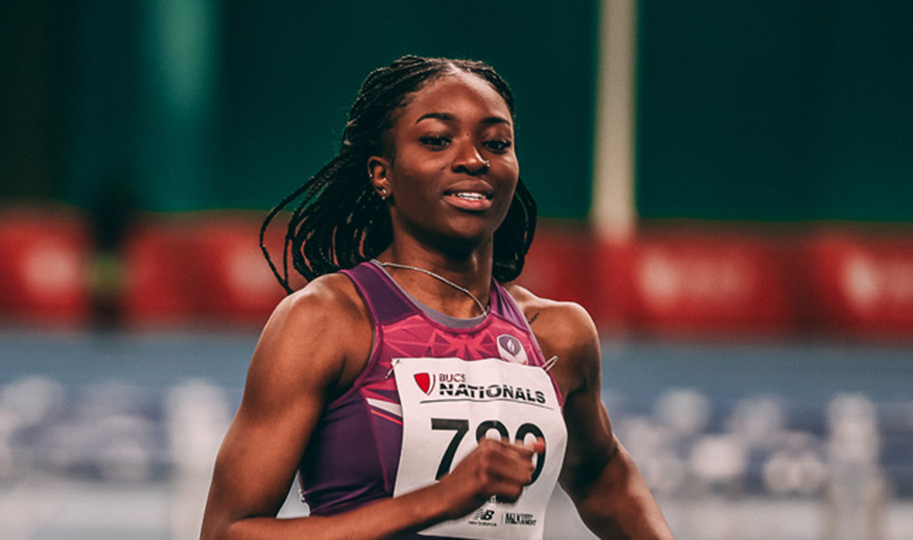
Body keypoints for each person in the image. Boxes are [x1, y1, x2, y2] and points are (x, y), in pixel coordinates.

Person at [200, 55, 674, 540]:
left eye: (496, 143)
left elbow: (601, 476)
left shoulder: (558, 335)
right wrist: (441, 499)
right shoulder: (327, 320)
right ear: (382, 173)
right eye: (436, 140)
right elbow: (226, 532)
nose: (474, 159)